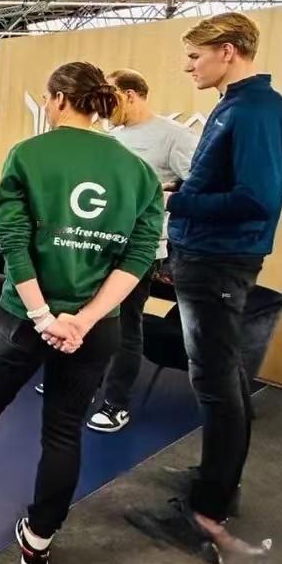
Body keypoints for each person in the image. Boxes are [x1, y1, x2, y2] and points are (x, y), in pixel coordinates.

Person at [0, 62, 162, 564]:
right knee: (64, 432)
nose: (46, 105)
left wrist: (44, 315)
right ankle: (39, 542)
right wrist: (85, 320)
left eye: (48, 97)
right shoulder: (139, 173)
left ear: (61, 99)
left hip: (21, 319)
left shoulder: (29, 154)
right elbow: (138, 259)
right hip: (94, 330)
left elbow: (14, 242)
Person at [129, 13, 282, 558]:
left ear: (228, 50)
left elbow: (258, 198)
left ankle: (207, 512)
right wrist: (188, 187)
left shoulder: (253, 109)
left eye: (195, 56)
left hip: (217, 261)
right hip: (211, 257)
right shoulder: (241, 104)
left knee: (218, 385)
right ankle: (216, 483)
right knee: (225, 379)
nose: (188, 66)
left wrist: (180, 199)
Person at [85, 69, 197, 433]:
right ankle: (85, 385)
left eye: (111, 99)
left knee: (126, 324)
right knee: (91, 317)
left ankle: (115, 404)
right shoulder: (112, 135)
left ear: (131, 94)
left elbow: (200, 188)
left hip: (140, 247)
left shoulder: (174, 136)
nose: (105, 109)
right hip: (100, 242)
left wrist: (164, 192)